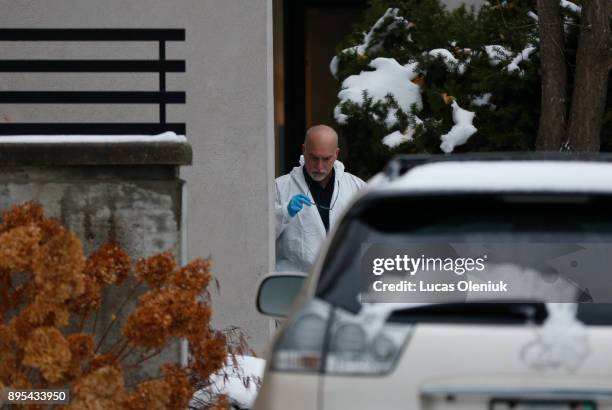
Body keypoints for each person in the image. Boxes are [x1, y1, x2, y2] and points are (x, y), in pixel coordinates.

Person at [275, 125, 365, 273]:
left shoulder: (357, 187)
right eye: (314, 158)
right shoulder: (280, 187)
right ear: (304, 150)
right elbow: (261, 236)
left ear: (336, 153)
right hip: (294, 284)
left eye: (326, 159)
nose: (319, 166)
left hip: (339, 281)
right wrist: (283, 212)